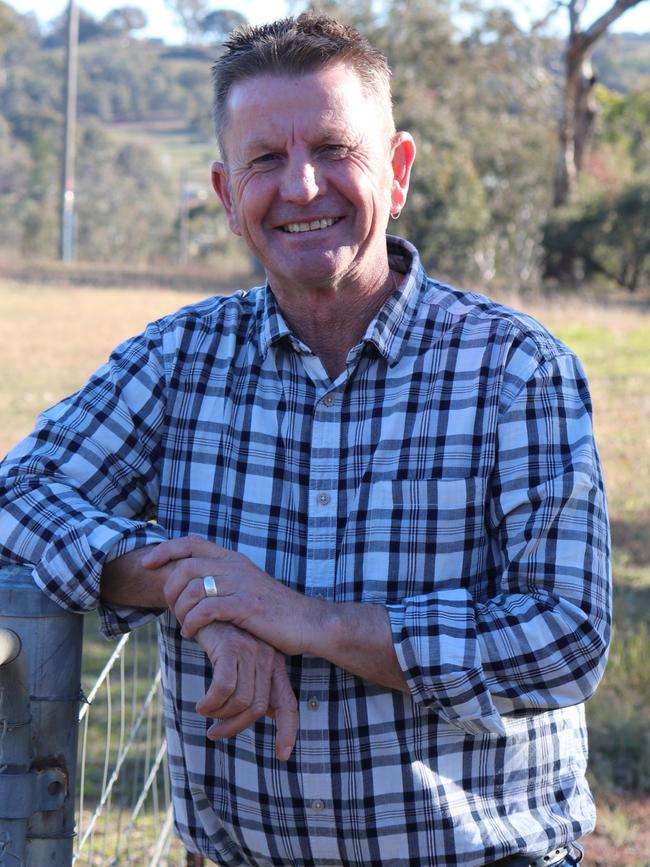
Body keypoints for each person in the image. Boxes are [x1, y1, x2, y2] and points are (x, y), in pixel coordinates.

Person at [0, 13, 610, 867]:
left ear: (397, 171)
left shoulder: (516, 369)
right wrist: (196, 590)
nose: (302, 185)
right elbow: (18, 491)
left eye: (334, 149)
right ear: (224, 196)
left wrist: (304, 620)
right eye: (264, 161)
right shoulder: (177, 360)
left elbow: (565, 636)